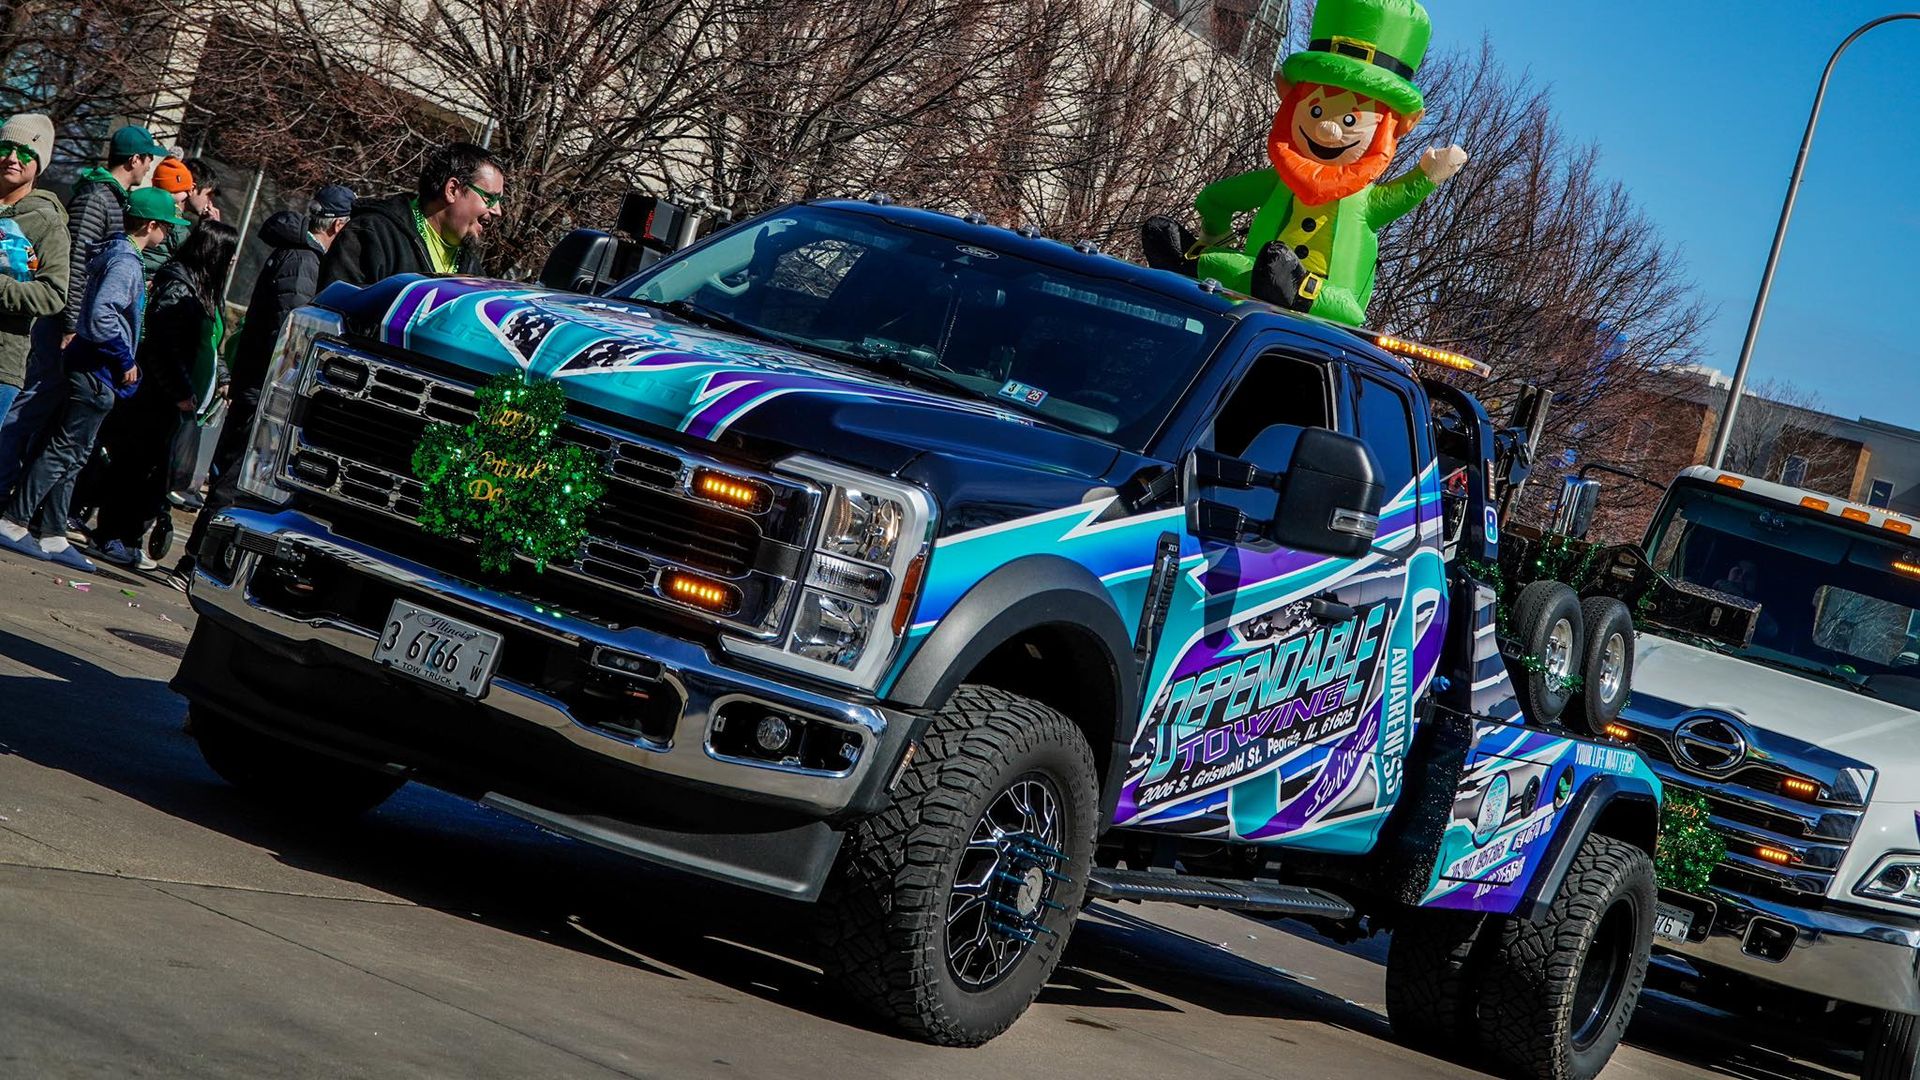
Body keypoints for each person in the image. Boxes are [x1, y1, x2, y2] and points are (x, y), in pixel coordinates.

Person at [175, 183, 353, 583]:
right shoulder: (304, 260)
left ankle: (199, 556)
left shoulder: (294, 254)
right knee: (236, 477)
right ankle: (197, 559)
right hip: (263, 387)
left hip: (256, 382)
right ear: (339, 225)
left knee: (232, 472)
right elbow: (292, 330)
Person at [0, 187, 185, 570]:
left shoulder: (114, 254)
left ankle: (51, 531)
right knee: (64, 450)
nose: (166, 236)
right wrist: (123, 357)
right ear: (150, 226)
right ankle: (13, 521)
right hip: (98, 369)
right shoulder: (127, 264)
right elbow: (102, 314)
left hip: (90, 366)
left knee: (75, 453)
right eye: (165, 228)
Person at [0, 123, 164, 498]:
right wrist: (70, 324)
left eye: (24, 153)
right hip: (61, 327)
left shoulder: (105, 199)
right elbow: (75, 265)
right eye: (148, 159)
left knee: (35, 410)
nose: (12, 159)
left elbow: (69, 272)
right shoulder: (96, 198)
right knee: (29, 407)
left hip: (57, 327)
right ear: (136, 160)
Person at [94, 218, 237, 568]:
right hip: (157, 399)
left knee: (155, 472)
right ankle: (114, 535)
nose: (233, 262)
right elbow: (162, 346)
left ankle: (128, 537)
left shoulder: (203, 289)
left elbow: (209, 344)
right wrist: (178, 391)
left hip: (179, 401)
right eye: (229, 255)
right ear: (214, 252)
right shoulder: (179, 287)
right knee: (136, 468)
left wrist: (220, 376)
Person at [320, 141, 503, 286]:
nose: (498, 211)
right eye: (490, 198)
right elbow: (334, 311)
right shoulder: (372, 235)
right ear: (452, 189)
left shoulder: (472, 269)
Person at [0, 114, 69, 431]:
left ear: (39, 163)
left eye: (25, 152)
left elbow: (53, 294)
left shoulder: (46, 221)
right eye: (6, 148)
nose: (13, 159)